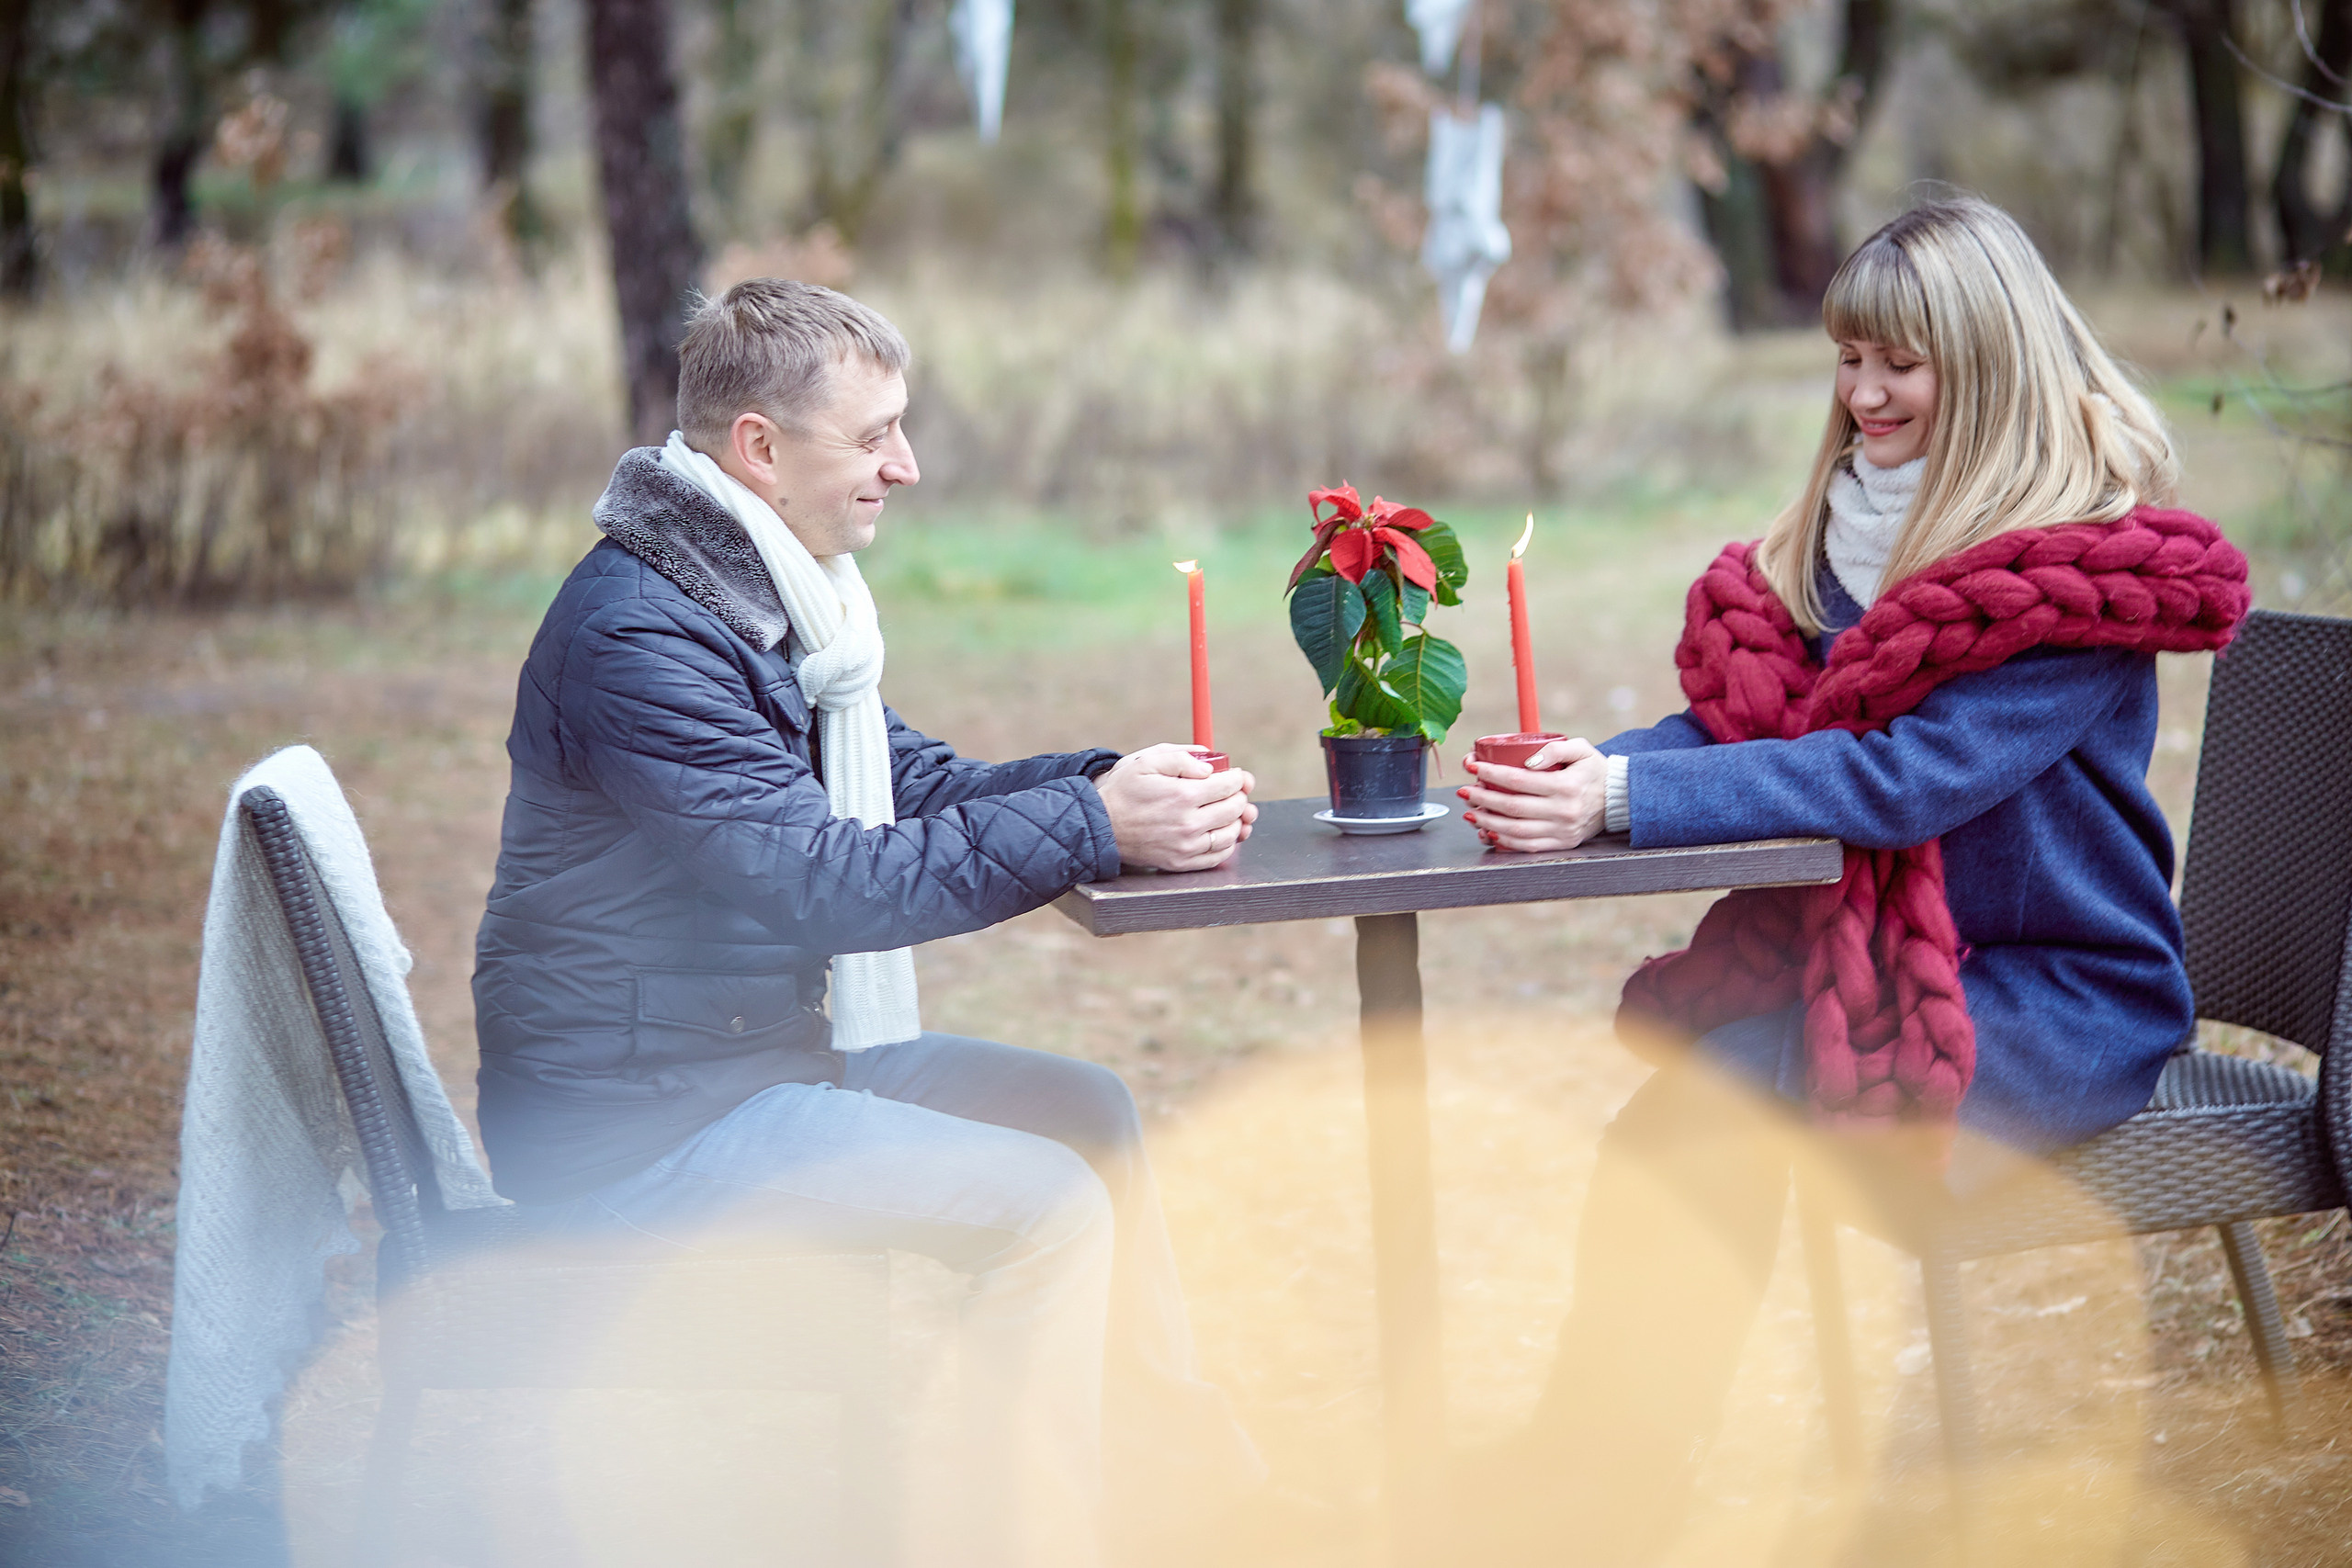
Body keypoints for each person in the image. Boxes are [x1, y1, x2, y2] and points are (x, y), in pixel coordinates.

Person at [1451, 197, 2248, 1560]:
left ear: (1988, 365)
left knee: (1717, 1113)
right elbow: (1755, 736)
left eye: (1902, 365)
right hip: (1895, 970)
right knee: (1690, 1115)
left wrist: (1634, 801)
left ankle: (1605, 1487)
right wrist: (1590, 771)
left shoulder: (2068, 580)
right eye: (1849, 359)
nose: (1864, 393)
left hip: (2063, 994)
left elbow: (1900, 776)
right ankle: (1602, 1470)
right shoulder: (1848, 534)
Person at [470, 278, 1263, 1565]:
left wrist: (1113, 786)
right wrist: (1093, 825)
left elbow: (908, 792)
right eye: (875, 434)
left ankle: (1180, 1491)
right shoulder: (643, 635)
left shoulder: (756, 596)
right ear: (761, 449)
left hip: (725, 1064)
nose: (909, 464)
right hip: (635, 1127)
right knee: (1048, 1204)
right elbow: (829, 881)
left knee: (1088, 1115)